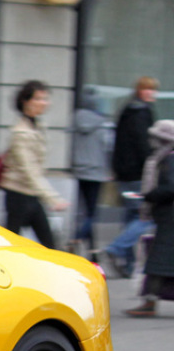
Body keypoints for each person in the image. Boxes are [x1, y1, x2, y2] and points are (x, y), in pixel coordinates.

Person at [1, 80, 68, 248]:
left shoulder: (37, 126)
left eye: (45, 99)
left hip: (30, 194)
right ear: (26, 102)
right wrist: (52, 198)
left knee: (48, 244)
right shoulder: (20, 133)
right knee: (11, 244)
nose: (44, 103)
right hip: (18, 194)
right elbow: (29, 171)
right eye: (38, 99)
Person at [104, 76, 159, 278]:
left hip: (123, 172)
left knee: (130, 216)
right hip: (137, 172)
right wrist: (153, 166)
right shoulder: (141, 113)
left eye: (152, 89)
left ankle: (127, 265)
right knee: (144, 217)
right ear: (139, 90)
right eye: (146, 89)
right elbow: (144, 145)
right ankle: (117, 248)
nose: (150, 93)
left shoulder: (127, 110)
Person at [126, 119, 174, 317]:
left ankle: (149, 303)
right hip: (167, 216)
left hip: (170, 217)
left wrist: (149, 196)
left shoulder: (169, 159)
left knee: (158, 260)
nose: (152, 142)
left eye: (156, 139)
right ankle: (149, 302)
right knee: (160, 260)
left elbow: (170, 188)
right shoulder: (164, 158)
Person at [70, 85, 113, 258]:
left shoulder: (75, 118)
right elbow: (107, 146)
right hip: (96, 172)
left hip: (79, 170)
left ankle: (92, 251)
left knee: (84, 211)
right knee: (92, 213)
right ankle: (76, 238)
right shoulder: (102, 123)